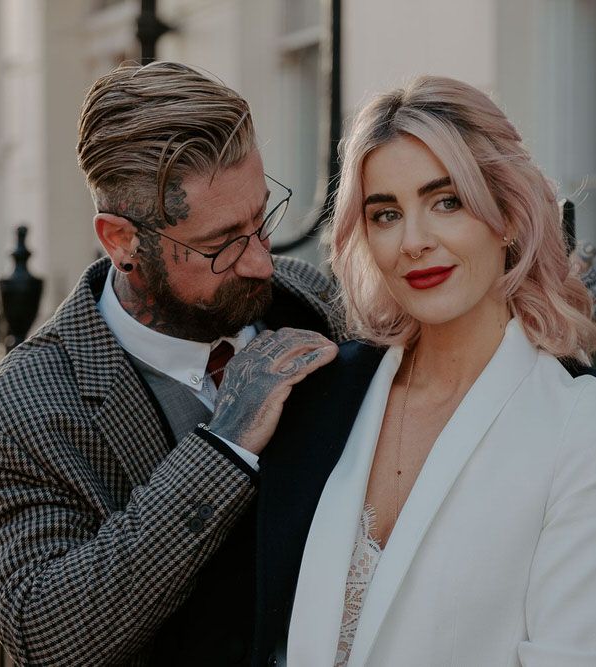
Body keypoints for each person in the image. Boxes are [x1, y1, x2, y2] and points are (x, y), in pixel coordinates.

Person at [0, 61, 356, 666]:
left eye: (261, 219)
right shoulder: (11, 420)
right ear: (119, 240)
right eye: (221, 245)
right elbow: (50, 639)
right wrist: (227, 441)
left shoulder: (317, 302)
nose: (261, 264)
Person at [253, 76, 596, 667]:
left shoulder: (575, 427)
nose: (413, 241)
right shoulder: (327, 395)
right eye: (385, 214)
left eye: (447, 201)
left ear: (509, 214)